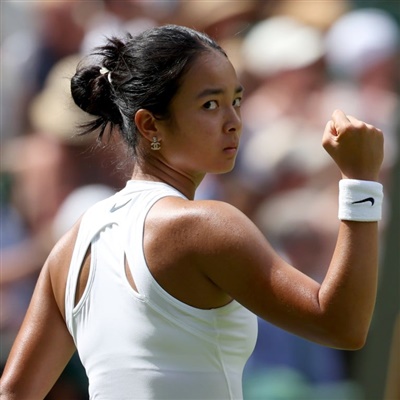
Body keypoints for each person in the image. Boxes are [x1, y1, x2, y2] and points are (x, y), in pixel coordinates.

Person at [0, 24, 384, 400]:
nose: (234, 122)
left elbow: (14, 391)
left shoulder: (71, 245)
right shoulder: (207, 226)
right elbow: (342, 325)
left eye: (236, 101)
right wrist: (360, 180)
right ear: (149, 125)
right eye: (210, 105)